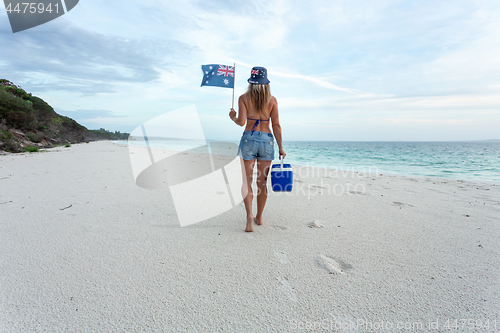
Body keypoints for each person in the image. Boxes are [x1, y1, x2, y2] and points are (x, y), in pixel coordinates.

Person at [229, 66, 286, 232]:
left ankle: (249, 216)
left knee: (247, 181)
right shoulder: (272, 100)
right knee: (262, 182)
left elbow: (241, 122)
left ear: (251, 82)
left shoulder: (243, 98)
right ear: (265, 83)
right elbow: (276, 125)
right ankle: (259, 217)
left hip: (248, 139)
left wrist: (233, 117)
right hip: (266, 140)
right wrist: (281, 147)